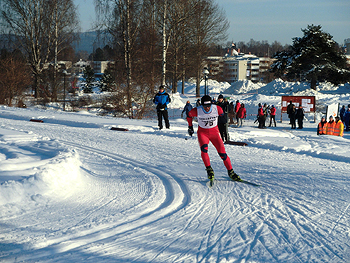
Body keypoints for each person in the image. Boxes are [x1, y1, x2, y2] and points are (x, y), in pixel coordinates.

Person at [186, 95, 241, 181]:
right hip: (203, 133)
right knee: (204, 150)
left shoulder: (217, 108)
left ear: (212, 104)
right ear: (201, 105)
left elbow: (222, 114)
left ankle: (231, 172)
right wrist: (190, 126)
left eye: (209, 106)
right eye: (205, 106)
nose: (207, 108)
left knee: (222, 153)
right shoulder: (197, 110)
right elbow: (189, 115)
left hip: (214, 133)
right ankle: (209, 170)